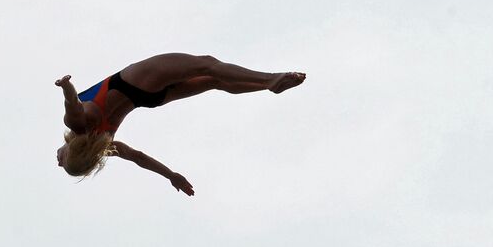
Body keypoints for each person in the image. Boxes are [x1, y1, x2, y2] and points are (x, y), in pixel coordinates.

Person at [55, 53, 306, 196]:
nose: (57, 161)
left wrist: (171, 176)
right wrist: (66, 85)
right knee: (208, 65)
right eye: (63, 162)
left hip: (150, 99)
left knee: (213, 82)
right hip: (137, 80)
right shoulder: (77, 125)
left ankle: (265, 87)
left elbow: (138, 157)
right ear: (74, 153)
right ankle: (270, 79)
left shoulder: (106, 145)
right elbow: (72, 104)